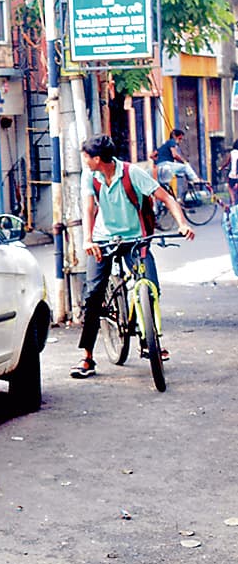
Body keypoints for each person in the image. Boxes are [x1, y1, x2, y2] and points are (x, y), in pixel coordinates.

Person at [73, 135, 194, 379]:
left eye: (86, 156)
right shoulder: (90, 176)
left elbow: (166, 197)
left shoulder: (132, 173)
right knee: (93, 296)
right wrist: (88, 239)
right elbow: (88, 208)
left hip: (134, 239)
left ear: (97, 159)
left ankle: (150, 340)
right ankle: (87, 357)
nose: (84, 160)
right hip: (102, 240)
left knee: (150, 286)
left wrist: (182, 223)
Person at [152, 128, 199, 200]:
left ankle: (167, 202)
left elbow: (152, 156)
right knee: (186, 167)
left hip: (159, 168)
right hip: (167, 166)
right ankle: (195, 179)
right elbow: (174, 155)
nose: (180, 141)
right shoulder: (172, 141)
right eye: (180, 139)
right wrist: (183, 161)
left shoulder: (163, 146)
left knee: (166, 187)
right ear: (175, 136)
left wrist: (158, 161)